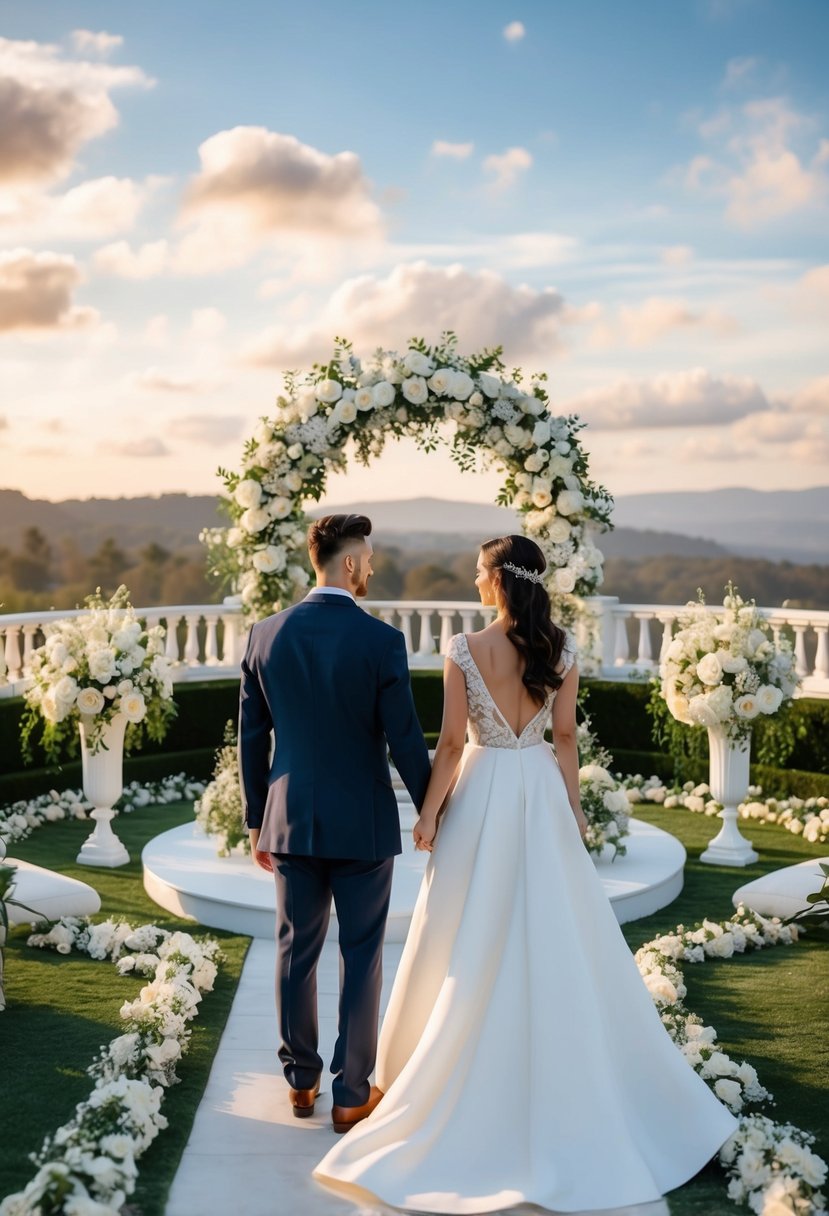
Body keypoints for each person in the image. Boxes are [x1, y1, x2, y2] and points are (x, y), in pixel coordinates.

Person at [314, 534, 739, 1213]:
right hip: (538, 788)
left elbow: (450, 744)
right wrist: (570, 809)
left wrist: (427, 816)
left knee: (459, 929)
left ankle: (424, 1072)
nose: (472, 579)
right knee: (552, 926)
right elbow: (565, 736)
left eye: (478, 570)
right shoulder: (561, 648)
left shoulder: (463, 648)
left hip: (482, 789)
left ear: (497, 579)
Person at [238, 513, 431, 1133]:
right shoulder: (381, 641)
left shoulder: (264, 636)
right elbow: (404, 738)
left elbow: (251, 740)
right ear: (348, 564)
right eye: (368, 557)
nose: (371, 566)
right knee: (362, 954)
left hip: (289, 820)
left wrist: (254, 819)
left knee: (295, 952)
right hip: (364, 822)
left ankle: (301, 1082)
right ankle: (351, 1095)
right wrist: (432, 809)